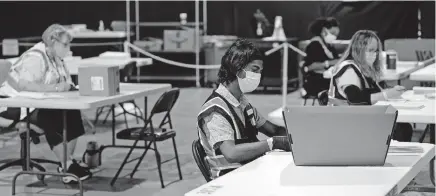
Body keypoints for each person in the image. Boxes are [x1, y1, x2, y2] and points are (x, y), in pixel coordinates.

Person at [0, 24, 92, 184]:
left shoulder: (57, 58)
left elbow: (65, 83)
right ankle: (67, 165)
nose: (68, 48)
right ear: (52, 41)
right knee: (49, 114)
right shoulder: (35, 57)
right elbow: (23, 86)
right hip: (13, 105)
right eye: (65, 44)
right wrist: (56, 88)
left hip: (37, 103)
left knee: (72, 111)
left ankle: (67, 164)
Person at [197, 38, 291, 180]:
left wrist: (298, 132)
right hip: (230, 180)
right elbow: (231, 153)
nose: (258, 76)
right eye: (255, 70)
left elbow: (273, 130)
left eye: (260, 71)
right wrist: (271, 143)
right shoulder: (215, 110)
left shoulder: (242, 103)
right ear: (238, 69)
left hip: (250, 171)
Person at [328, 30, 413, 142]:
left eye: (376, 50)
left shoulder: (362, 68)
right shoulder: (348, 69)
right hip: (345, 122)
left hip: (358, 118)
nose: (375, 54)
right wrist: (386, 95)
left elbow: (373, 93)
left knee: (403, 126)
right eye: (371, 50)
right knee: (401, 128)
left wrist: (391, 92)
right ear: (359, 49)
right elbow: (355, 98)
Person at [302, 17, 341, 97]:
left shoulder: (329, 46)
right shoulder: (314, 45)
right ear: (324, 31)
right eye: (333, 33)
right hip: (315, 81)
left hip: (327, 78)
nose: (335, 37)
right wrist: (329, 63)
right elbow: (309, 67)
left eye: (336, 35)